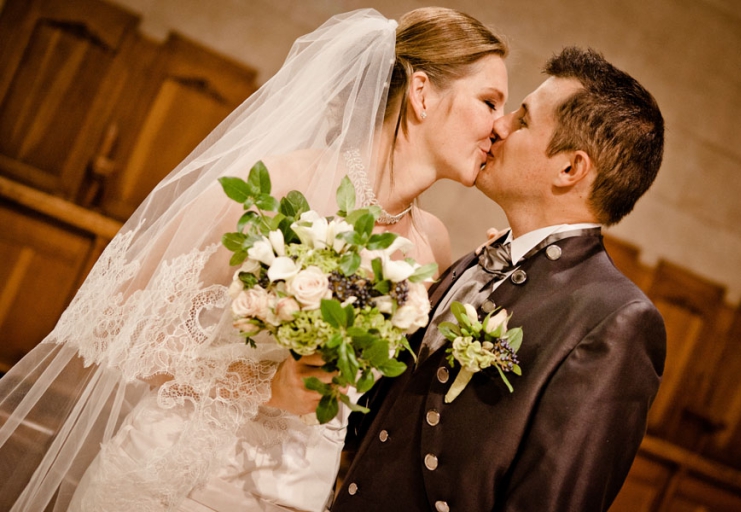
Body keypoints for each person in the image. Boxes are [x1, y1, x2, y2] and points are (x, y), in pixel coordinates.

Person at [0, 7, 508, 512]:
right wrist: (265, 384)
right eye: (489, 102)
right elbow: (123, 324)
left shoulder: (431, 246)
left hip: (300, 492)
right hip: (178, 483)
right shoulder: (285, 185)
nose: (500, 127)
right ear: (421, 93)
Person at [332, 46, 666, 512]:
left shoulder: (614, 319)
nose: (499, 126)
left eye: (523, 120)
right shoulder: (477, 262)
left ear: (570, 168)